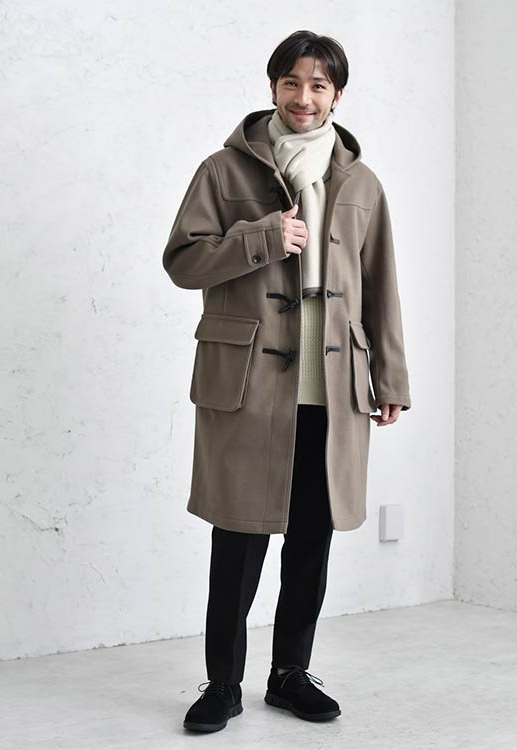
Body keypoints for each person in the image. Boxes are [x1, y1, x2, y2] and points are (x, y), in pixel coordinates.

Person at [162, 29, 412, 733]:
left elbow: (380, 286)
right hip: (248, 383)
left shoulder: (362, 183)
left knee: (311, 539)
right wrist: (264, 237)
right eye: (291, 83)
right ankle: (222, 685)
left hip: (332, 387)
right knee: (238, 537)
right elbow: (183, 262)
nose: (304, 97)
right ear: (272, 87)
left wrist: (390, 376)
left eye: (319, 85)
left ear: (338, 94)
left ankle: (290, 675)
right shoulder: (223, 171)